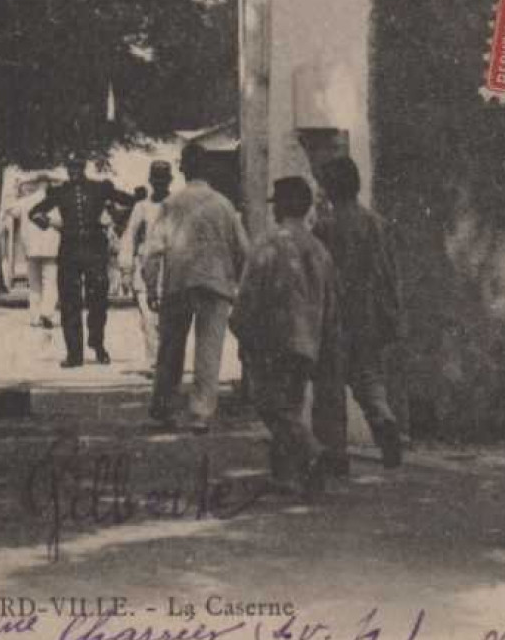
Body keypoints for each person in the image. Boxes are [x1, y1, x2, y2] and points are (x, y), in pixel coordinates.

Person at [229, 177, 339, 497]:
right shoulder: (319, 249)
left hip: (272, 339)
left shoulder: (267, 244)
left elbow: (249, 295)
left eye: (276, 201)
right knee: (291, 402)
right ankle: (287, 474)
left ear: (283, 205)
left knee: (271, 405)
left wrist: (241, 330)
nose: (273, 207)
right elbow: (332, 301)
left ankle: (313, 451)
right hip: (308, 340)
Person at [142, 142, 248, 432]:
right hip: (216, 283)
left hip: (180, 281)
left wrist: (151, 287)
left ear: (182, 169)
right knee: (209, 349)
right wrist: (240, 286)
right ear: (208, 169)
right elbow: (243, 250)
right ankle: (201, 413)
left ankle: (164, 408)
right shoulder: (224, 205)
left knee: (171, 348)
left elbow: (153, 251)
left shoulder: (171, 204)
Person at [312, 156, 405, 474]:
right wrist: (390, 312)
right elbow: (390, 273)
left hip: (336, 316)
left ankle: (334, 453)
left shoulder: (325, 227)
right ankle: (385, 423)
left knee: (330, 386)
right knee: (369, 378)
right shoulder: (376, 223)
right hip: (369, 315)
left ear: (330, 188)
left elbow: (320, 275)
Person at [29, 155, 136, 368]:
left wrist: (118, 217)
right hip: (69, 250)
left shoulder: (100, 189)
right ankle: (74, 353)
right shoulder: (60, 192)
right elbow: (35, 212)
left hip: (95, 249)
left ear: (84, 167)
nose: (74, 171)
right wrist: (48, 222)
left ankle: (97, 344)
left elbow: (131, 202)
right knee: (70, 302)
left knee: (98, 300)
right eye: (70, 167)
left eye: (77, 166)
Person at [119, 161, 173, 377]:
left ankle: (168, 361)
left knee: (169, 318)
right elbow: (129, 237)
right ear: (150, 181)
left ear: (169, 181)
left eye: (163, 180)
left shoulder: (178, 203)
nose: (159, 185)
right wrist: (126, 268)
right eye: (155, 181)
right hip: (146, 267)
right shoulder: (141, 207)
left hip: (173, 267)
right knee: (149, 318)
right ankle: (154, 362)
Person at [2, 174, 60, 328]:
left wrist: (16, 190)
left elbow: (9, 209)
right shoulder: (56, 202)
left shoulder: (25, 201)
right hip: (52, 246)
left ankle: (35, 316)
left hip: (31, 247)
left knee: (34, 283)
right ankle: (47, 313)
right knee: (51, 282)